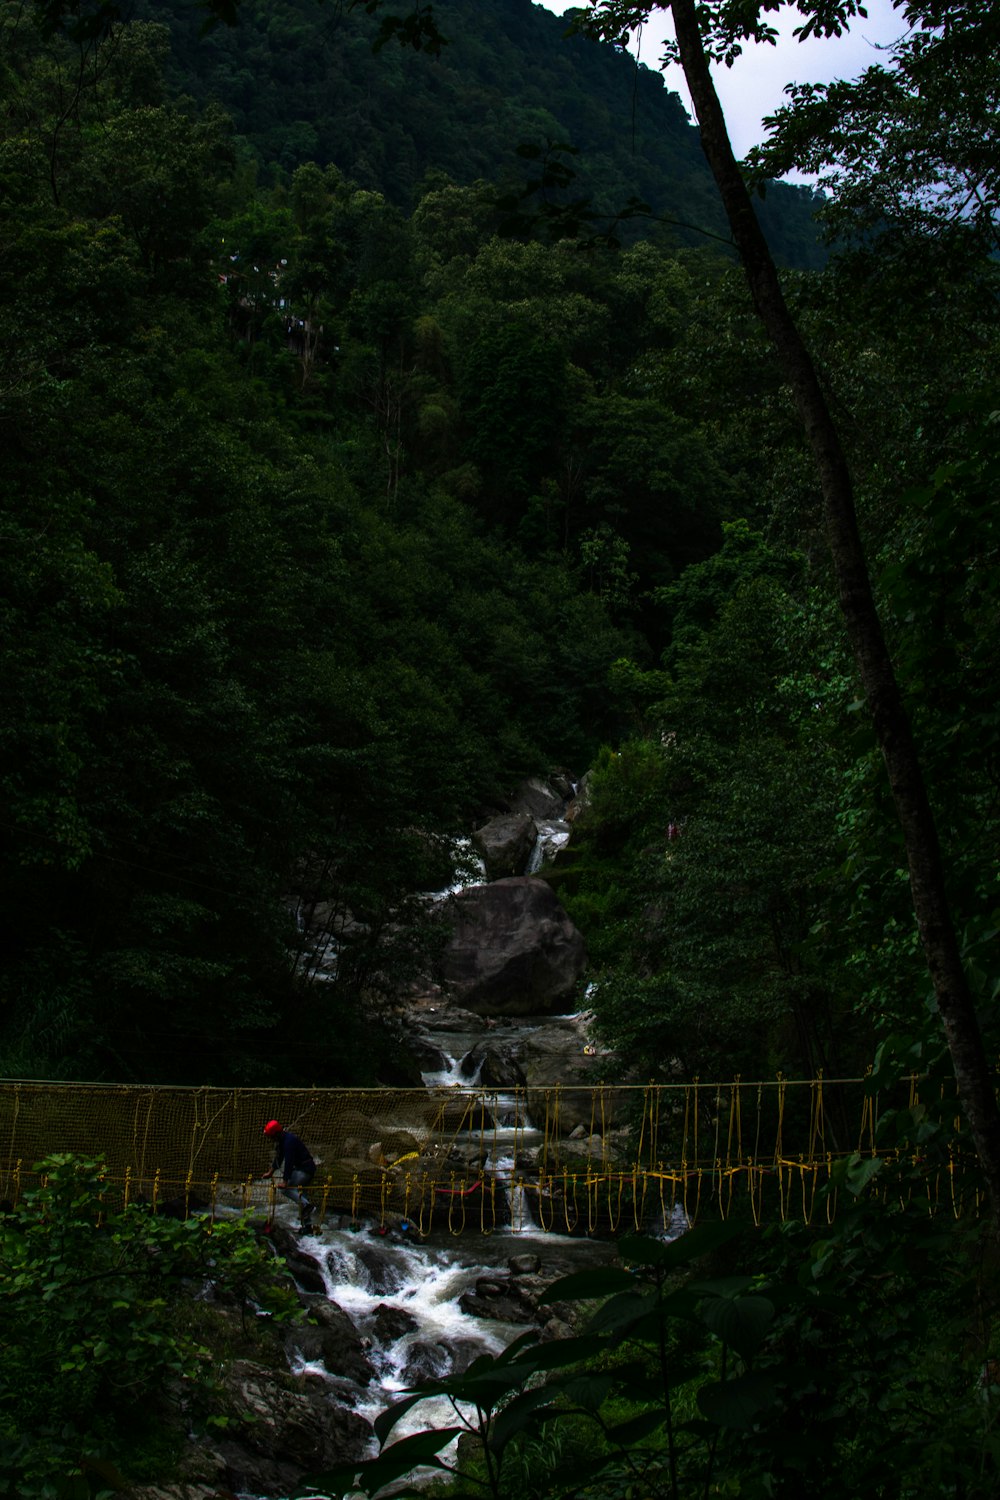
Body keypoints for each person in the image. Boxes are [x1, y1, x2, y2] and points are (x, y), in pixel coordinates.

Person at [261, 1119, 316, 1234]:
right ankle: (307, 1226)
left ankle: (307, 1206)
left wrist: (285, 1181)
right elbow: (279, 1158)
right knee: (301, 1195)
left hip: (305, 1170)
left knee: (286, 1190)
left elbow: (289, 1162)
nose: (270, 1139)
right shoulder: (282, 1140)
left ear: (276, 1134)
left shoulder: (289, 1141)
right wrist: (270, 1172)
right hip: (302, 1168)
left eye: (271, 1136)